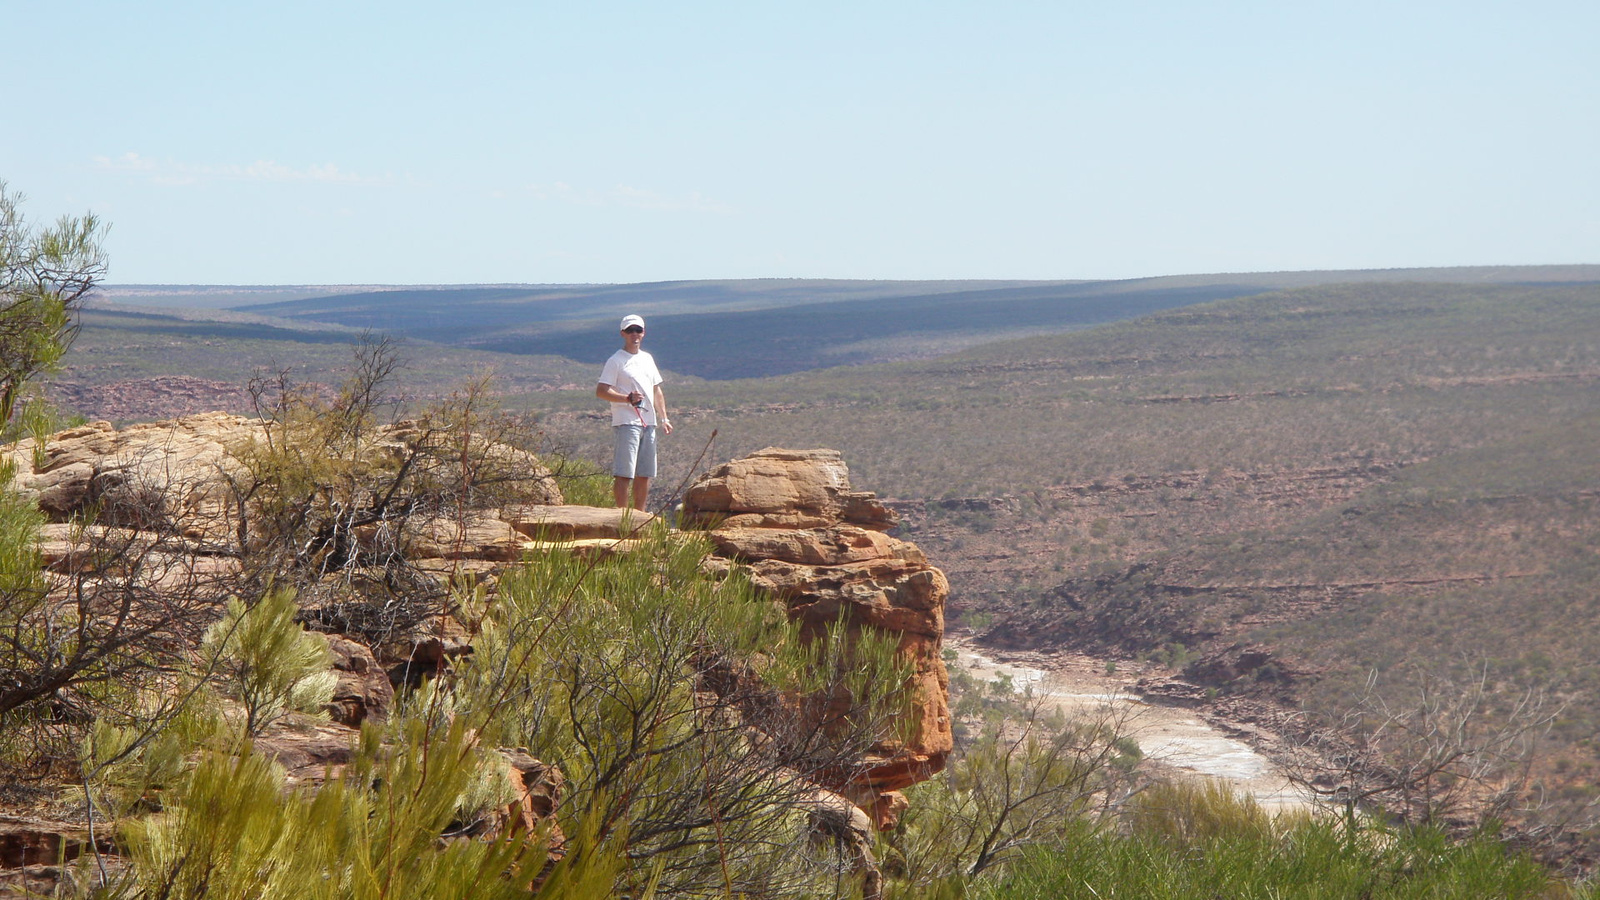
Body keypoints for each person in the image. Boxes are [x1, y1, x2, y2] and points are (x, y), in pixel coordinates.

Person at [596, 314, 673, 510]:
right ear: (623, 333)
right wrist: (626, 399)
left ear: (644, 333)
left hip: (649, 422)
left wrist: (664, 417)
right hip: (627, 421)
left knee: (645, 473)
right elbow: (602, 391)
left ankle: (639, 515)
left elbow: (656, 389)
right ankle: (622, 515)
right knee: (624, 472)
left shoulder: (647, 358)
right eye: (630, 330)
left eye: (638, 330)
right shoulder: (616, 361)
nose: (634, 334)